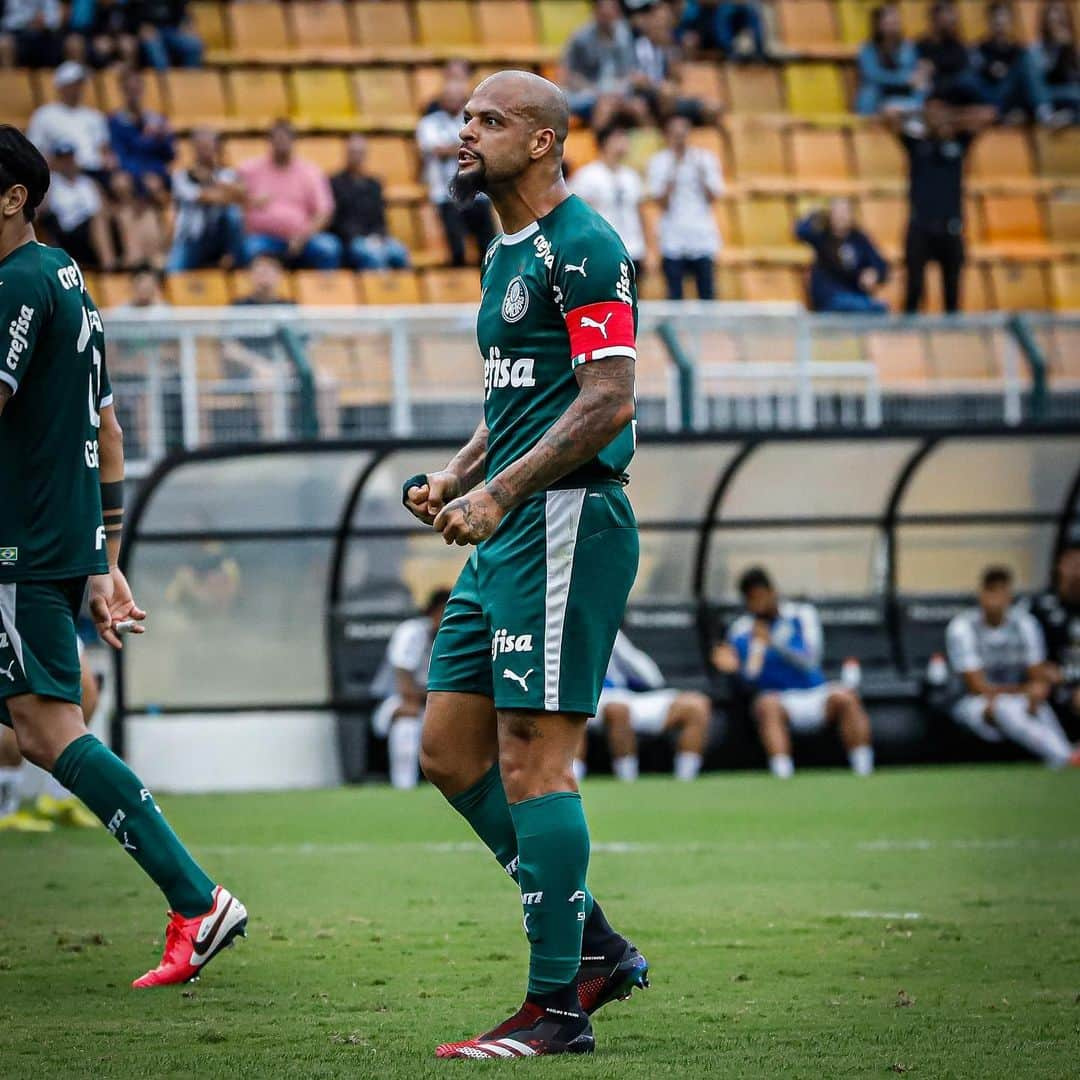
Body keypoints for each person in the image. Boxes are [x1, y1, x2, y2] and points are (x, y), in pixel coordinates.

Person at [403, 70, 647, 1058]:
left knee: (532, 761)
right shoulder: (504, 252)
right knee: (449, 753)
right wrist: (460, 473)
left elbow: (608, 398)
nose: (463, 134)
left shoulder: (583, 245)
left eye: (488, 121)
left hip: (562, 524)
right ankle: (592, 944)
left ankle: (557, 1009)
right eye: (462, 118)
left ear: (542, 142)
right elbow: (519, 398)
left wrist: (501, 491)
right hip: (508, 528)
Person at [0, 125, 247, 985]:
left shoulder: (16, 283)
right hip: (54, 537)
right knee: (41, 725)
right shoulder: (67, 276)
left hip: (16, 544)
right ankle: (194, 899)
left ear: (12, 198)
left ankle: (196, 898)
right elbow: (106, 423)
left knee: (44, 726)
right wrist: (102, 554)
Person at [712, 566, 875, 779]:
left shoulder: (801, 615)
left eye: (761, 596)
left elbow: (811, 660)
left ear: (772, 592)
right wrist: (736, 666)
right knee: (766, 705)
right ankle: (783, 774)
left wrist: (774, 642)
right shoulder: (741, 630)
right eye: (752, 599)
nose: (758, 604)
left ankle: (864, 770)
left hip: (814, 692)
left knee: (847, 698)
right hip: (779, 699)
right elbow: (749, 678)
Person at [945, 565, 1078, 768]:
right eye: (990, 591)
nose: (995, 599)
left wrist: (1035, 690)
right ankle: (1067, 756)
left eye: (1001, 591)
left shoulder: (1025, 623)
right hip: (973, 703)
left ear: (1009, 596)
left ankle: (1064, 755)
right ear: (981, 594)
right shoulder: (963, 626)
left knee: (1036, 706)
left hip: (1018, 697)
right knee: (1005, 707)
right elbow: (977, 686)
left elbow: (1036, 672)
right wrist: (1025, 691)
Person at [890, 99, 990, 313]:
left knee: (952, 291)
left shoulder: (959, 143)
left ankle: (952, 337)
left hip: (950, 228)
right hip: (920, 228)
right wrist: (920, 117)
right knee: (914, 288)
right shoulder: (917, 144)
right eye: (932, 112)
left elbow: (987, 116)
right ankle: (910, 335)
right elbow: (889, 117)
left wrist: (953, 118)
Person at [576, 629, 711, 783]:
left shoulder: (605, 628)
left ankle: (685, 781)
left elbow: (648, 674)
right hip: (587, 698)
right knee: (618, 709)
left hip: (624, 693)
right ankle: (627, 782)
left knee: (696, 705)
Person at [0, 642, 100, 832]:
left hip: (55, 615)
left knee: (86, 694)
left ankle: (58, 796)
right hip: (18, 619)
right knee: (23, 706)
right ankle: (4, 808)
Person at [416, 63, 495, 266]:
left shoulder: (472, 121)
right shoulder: (429, 122)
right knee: (457, 250)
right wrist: (465, 146)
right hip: (445, 194)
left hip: (477, 193)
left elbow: (483, 146)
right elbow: (435, 150)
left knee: (488, 249)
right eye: (448, 98)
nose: (452, 102)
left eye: (456, 98)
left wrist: (458, 147)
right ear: (441, 100)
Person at [370, 588, 450, 790]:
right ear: (432, 612)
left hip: (435, 703)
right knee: (407, 721)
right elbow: (405, 688)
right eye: (444, 611)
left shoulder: (457, 636)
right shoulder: (411, 632)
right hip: (394, 701)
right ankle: (404, 787)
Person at [237, 119, 342, 270]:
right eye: (277, 138)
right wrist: (247, 200)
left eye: (286, 138)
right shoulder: (249, 170)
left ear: (294, 141)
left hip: (302, 238)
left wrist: (303, 237)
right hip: (263, 237)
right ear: (269, 141)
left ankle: (325, 292)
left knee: (329, 247)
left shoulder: (310, 172)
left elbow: (324, 212)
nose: (281, 143)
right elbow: (232, 198)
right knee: (250, 248)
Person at [647, 112, 723, 300]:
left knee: (707, 294)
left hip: (702, 234)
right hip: (673, 237)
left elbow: (713, 196)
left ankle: (707, 330)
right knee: (675, 295)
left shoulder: (705, 159)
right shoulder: (659, 162)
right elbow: (660, 202)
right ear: (667, 135)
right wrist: (673, 169)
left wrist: (701, 175)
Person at [568, 124, 646, 276]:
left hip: (633, 248)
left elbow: (640, 214)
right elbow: (578, 216)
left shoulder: (631, 176)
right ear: (604, 143)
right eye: (618, 138)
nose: (625, 142)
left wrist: (648, 248)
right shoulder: (587, 176)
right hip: (602, 249)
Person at [166, 126, 246, 272]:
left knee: (233, 215)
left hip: (221, 235)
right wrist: (226, 193)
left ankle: (239, 264)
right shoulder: (181, 176)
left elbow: (242, 195)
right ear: (194, 149)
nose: (205, 151)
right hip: (193, 237)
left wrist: (212, 180)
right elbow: (203, 197)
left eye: (209, 146)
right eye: (201, 146)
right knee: (173, 269)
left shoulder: (226, 173)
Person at [330, 134, 410, 272]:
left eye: (360, 152)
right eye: (353, 152)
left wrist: (379, 237)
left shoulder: (374, 184)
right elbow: (338, 221)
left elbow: (380, 218)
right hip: (350, 240)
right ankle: (382, 291)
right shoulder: (335, 183)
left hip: (376, 237)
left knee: (399, 252)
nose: (356, 156)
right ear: (346, 153)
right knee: (373, 255)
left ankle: (405, 291)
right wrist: (365, 239)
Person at [561, 0, 647, 128]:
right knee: (605, 108)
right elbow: (568, 75)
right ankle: (600, 144)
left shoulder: (624, 36)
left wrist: (621, 90)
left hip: (619, 93)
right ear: (596, 13)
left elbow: (630, 72)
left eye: (612, 14)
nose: (609, 19)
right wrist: (595, 91)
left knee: (639, 107)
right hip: (589, 93)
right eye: (605, 15)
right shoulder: (580, 38)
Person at [795, 198, 889, 314]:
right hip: (830, 299)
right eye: (837, 213)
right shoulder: (822, 236)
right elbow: (800, 230)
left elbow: (881, 265)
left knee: (878, 309)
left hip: (857, 296)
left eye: (845, 212)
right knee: (868, 308)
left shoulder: (859, 239)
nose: (841, 217)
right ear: (830, 215)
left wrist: (874, 273)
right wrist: (816, 214)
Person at [1027, 544, 1080, 734]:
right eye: (1071, 563)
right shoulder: (1041, 608)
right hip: (1054, 687)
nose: (1076, 570)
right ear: (1059, 566)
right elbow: (1030, 654)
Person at [27, 61, 110, 174]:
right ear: (61, 87)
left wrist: (108, 161)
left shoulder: (94, 115)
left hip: (96, 172)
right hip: (59, 174)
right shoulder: (44, 114)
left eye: (80, 83)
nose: (78, 88)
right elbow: (34, 151)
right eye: (74, 84)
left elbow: (104, 149)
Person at [37, 141, 110, 269]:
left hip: (92, 229)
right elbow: (40, 210)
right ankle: (109, 266)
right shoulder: (52, 183)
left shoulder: (88, 183)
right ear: (56, 162)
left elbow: (104, 209)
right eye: (63, 159)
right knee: (97, 222)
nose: (67, 163)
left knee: (127, 214)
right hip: (67, 231)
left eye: (69, 158)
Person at [972, 1, 1045, 122]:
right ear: (989, 22)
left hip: (1014, 96)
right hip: (992, 94)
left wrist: (1010, 72)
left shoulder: (1018, 49)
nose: (999, 22)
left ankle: (1040, 110)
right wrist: (989, 69)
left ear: (1010, 21)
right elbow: (975, 78)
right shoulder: (980, 48)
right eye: (996, 18)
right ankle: (1042, 111)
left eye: (1003, 17)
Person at [107, 68, 175, 189]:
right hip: (132, 176)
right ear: (122, 91)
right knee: (121, 183)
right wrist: (143, 175)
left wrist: (162, 139)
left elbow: (169, 156)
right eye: (129, 90)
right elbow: (121, 157)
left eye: (137, 90)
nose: (134, 95)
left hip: (157, 174)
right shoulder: (115, 122)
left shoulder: (158, 119)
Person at [855, 2, 927, 116]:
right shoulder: (867, 48)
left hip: (902, 95)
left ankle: (910, 111)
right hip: (879, 94)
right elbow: (872, 75)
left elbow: (915, 75)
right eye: (888, 23)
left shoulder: (908, 46)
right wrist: (903, 79)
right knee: (868, 93)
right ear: (877, 25)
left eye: (896, 23)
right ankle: (867, 126)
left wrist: (920, 74)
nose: (893, 27)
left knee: (923, 85)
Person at [916, 0, 985, 105]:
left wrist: (935, 66)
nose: (953, 18)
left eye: (953, 14)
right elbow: (922, 80)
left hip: (959, 95)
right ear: (935, 18)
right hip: (936, 94)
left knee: (966, 80)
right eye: (948, 13)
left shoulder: (958, 45)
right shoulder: (922, 45)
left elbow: (963, 77)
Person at [1030, 0, 1080, 126]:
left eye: (1062, 13)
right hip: (1045, 96)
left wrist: (1067, 51)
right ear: (1045, 19)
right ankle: (1049, 116)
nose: (1058, 17)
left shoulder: (1071, 47)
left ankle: (1067, 117)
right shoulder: (1036, 48)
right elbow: (1039, 80)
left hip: (1069, 97)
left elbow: (1074, 78)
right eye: (1054, 12)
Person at [676, 1, 767, 61]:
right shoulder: (693, 10)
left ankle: (759, 53)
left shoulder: (731, 9)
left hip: (728, 49)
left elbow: (751, 20)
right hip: (703, 46)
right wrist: (684, 37)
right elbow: (678, 31)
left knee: (751, 9)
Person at [134, 0, 203, 70]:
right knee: (154, 48)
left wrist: (187, 25)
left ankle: (189, 78)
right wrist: (141, 26)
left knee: (194, 45)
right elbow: (132, 13)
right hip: (150, 30)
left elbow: (184, 13)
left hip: (172, 30)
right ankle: (165, 79)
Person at [0, 0, 63, 68]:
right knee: (4, 43)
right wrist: (29, 21)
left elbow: (55, 20)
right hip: (19, 34)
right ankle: (8, 76)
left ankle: (49, 75)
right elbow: (7, 22)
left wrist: (43, 21)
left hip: (45, 33)